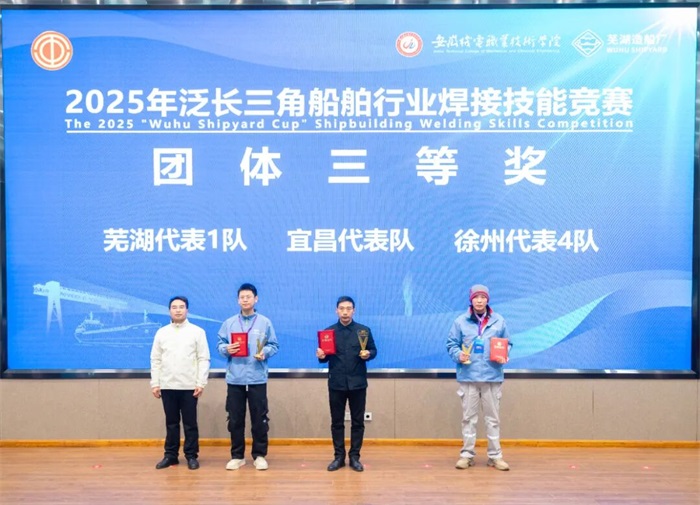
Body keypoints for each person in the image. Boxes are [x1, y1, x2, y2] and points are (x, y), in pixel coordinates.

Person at [446, 284, 511, 471]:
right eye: (476, 297)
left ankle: (495, 456)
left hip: (492, 376)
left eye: (483, 297)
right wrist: (458, 355)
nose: (480, 300)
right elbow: (451, 344)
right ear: (471, 300)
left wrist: (504, 354)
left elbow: (508, 343)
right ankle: (467, 455)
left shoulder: (499, 321)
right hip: (469, 377)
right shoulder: (460, 322)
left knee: (493, 420)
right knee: (468, 419)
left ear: (487, 299)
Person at [217, 283, 279, 471]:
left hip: (257, 378)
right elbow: (220, 345)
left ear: (256, 299)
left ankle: (259, 455)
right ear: (238, 300)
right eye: (242, 297)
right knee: (235, 419)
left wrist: (265, 353)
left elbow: (274, 345)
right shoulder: (229, 323)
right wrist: (226, 349)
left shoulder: (265, 322)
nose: (245, 300)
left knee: (259, 419)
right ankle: (237, 456)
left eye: (248, 297)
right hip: (235, 378)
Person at [316, 296, 377, 472]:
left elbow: (373, 350)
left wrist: (368, 354)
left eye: (348, 309)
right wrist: (321, 356)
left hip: (358, 383)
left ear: (354, 310)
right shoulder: (328, 333)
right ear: (336, 310)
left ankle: (355, 457)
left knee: (358, 422)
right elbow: (324, 357)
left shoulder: (363, 331)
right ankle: (339, 457)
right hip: (336, 383)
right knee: (337, 422)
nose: (345, 312)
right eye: (342, 308)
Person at [150, 295, 211, 470]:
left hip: (189, 386)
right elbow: (155, 359)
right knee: (171, 423)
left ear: (187, 310)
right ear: (169, 310)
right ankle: (170, 456)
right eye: (174, 307)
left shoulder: (197, 332)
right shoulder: (162, 332)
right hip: (167, 385)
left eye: (181, 307)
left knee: (190, 424)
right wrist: (155, 383)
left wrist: (201, 383)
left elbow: (203, 358)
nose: (178, 310)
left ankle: (191, 456)